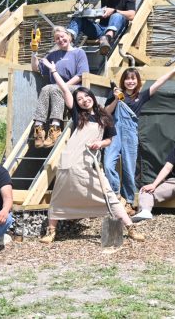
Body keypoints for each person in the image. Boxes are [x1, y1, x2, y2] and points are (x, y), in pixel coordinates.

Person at [38, 61, 144, 243]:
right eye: (79, 99)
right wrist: (54, 71)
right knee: (59, 196)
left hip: (90, 163)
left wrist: (100, 143)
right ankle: (51, 231)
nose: (84, 100)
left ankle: (130, 228)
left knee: (109, 195)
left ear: (92, 97)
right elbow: (64, 90)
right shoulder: (78, 114)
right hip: (70, 161)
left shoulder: (105, 117)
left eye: (86, 96)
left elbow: (110, 139)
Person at [104, 65, 175, 216]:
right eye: (127, 79)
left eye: (133, 79)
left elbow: (158, 83)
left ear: (138, 81)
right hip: (114, 132)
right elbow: (106, 112)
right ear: (123, 81)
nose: (130, 81)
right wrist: (115, 98)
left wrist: (173, 71)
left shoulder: (141, 96)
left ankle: (128, 201)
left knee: (129, 169)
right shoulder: (115, 93)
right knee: (108, 165)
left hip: (130, 133)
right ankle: (116, 194)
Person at [31, 26, 90, 148]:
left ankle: (55, 127)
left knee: (55, 88)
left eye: (62, 36)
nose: (60, 40)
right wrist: (34, 52)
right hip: (56, 87)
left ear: (69, 36)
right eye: (57, 38)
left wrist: (63, 87)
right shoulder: (53, 55)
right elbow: (36, 68)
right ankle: (38, 128)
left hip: (74, 87)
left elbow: (81, 75)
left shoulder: (79, 53)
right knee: (46, 88)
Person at [67, 0, 136, 55]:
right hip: (100, 29)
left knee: (116, 15)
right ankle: (68, 39)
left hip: (116, 31)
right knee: (78, 17)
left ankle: (106, 39)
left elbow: (132, 15)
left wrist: (114, 10)